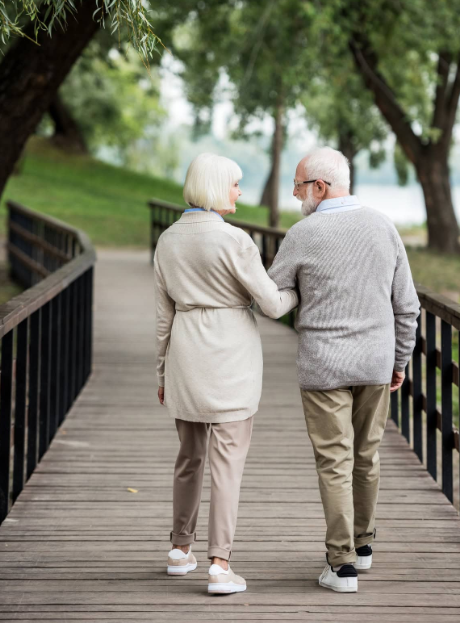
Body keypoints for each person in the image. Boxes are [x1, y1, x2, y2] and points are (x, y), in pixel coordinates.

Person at [268, 146, 420, 593]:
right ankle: (364, 546)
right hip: (375, 362)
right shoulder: (384, 226)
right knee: (367, 457)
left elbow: (272, 294)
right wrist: (399, 361)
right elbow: (407, 308)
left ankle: (341, 565)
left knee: (335, 461)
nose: (296, 195)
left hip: (323, 365)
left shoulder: (302, 233)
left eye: (298, 186)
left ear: (319, 186)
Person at [154, 152, 298, 595]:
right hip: (230, 360)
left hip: (185, 356)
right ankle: (220, 565)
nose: (239, 191)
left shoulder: (168, 241)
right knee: (228, 465)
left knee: (189, 458)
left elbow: (163, 319)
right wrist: (294, 290)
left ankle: (180, 550)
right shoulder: (235, 241)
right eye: (234, 184)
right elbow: (272, 304)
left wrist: (162, 373)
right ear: (217, 188)